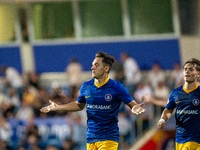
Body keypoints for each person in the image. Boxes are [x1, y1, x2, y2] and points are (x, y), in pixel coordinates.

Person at [40, 51, 145, 150]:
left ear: (106, 68)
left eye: (96, 65)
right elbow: (78, 105)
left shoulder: (116, 87)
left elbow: (132, 103)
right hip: (91, 137)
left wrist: (134, 107)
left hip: (108, 136)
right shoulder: (86, 86)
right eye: (93, 64)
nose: (92, 67)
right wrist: (58, 107)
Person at [158, 58, 200, 150]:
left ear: (198, 74)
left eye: (191, 70)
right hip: (180, 139)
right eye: (185, 69)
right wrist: (162, 120)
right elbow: (168, 110)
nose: (187, 72)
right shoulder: (175, 92)